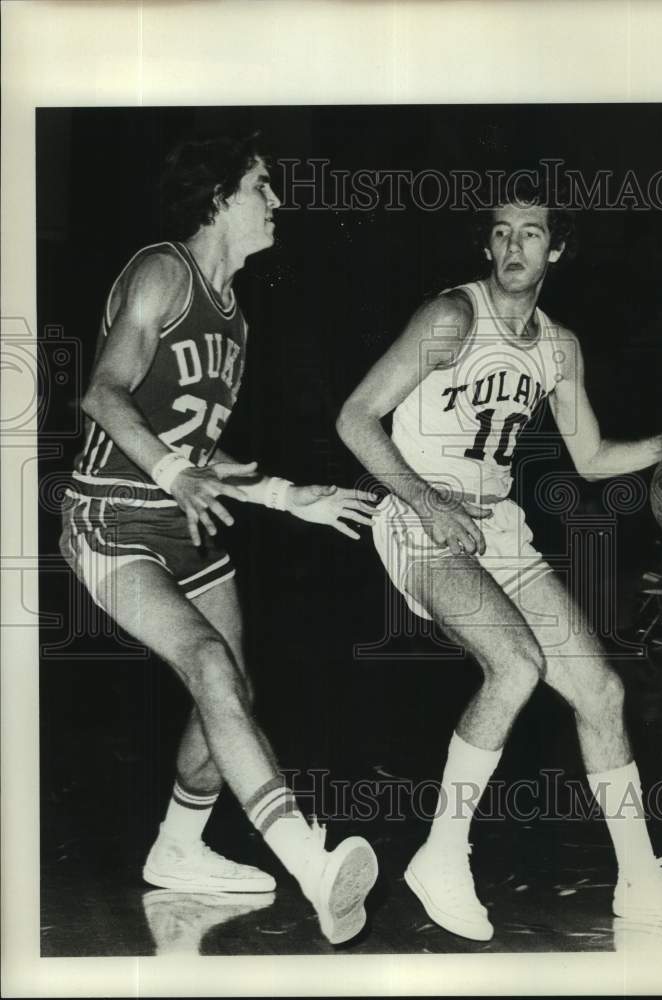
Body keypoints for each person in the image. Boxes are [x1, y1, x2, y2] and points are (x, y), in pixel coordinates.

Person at [336, 180, 662, 942]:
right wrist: (428, 503)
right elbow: (354, 418)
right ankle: (440, 856)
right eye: (500, 232)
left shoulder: (558, 347)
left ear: (555, 250)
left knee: (599, 690)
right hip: (417, 517)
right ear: (486, 243)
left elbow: (586, 458)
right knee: (514, 664)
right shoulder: (449, 317)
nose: (512, 247)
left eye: (530, 234)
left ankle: (639, 881)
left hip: (496, 528)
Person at [60, 133, 378, 946]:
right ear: (217, 197)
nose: (276, 202)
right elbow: (102, 393)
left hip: (185, 515)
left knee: (227, 691)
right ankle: (312, 863)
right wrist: (173, 473)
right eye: (262, 187)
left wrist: (281, 494)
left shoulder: (235, 317)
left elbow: (203, 452)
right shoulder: (163, 271)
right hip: (113, 514)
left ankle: (179, 847)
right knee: (207, 666)